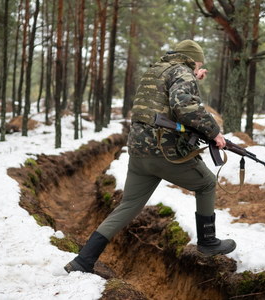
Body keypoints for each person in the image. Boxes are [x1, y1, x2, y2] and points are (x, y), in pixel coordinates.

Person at [65, 40, 236, 274]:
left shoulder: (156, 71)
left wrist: (193, 77)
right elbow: (184, 107)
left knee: (129, 205)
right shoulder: (183, 72)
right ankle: (208, 243)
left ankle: (83, 261)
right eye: (199, 63)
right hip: (164, 152)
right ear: (191, 59)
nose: (199, 67)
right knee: (206, 183)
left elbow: (164, 101)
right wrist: (214, 131)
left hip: (138, 151)